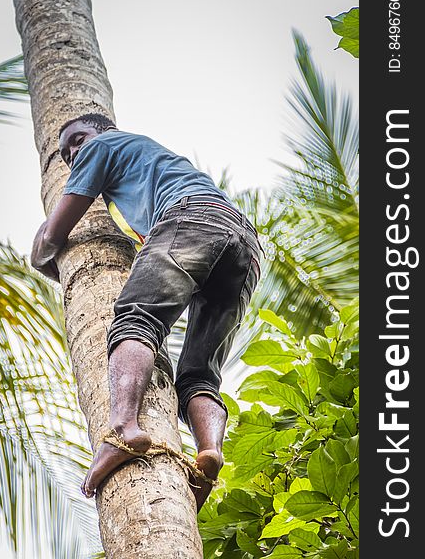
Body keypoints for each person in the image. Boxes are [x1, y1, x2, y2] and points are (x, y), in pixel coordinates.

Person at [31, 113, 261, 511]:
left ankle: (122, 430)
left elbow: (52, 237)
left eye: (77, 139)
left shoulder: (103, 146)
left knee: (136, 320)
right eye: (67, 151)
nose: (73, 151)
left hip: (191, 219)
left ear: (103, 132)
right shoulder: (149, 165)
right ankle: (209, 454)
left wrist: (40, 254)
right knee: (198, 374)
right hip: (244, 245)